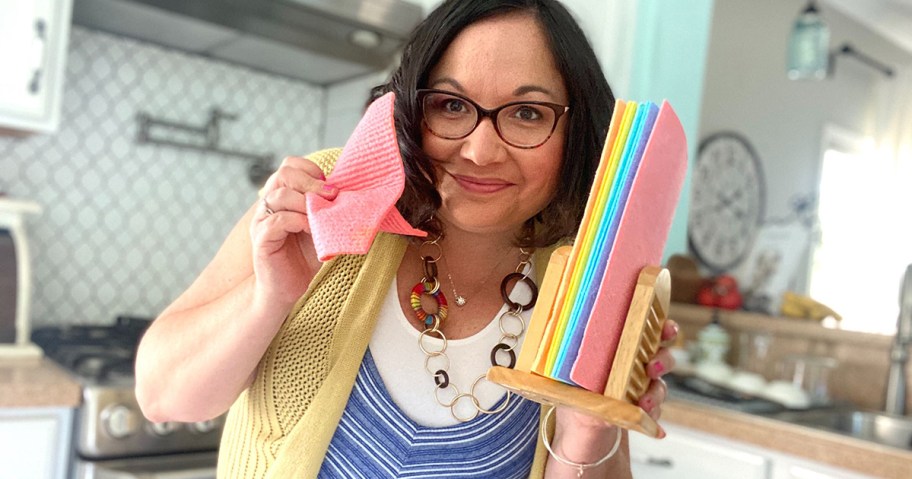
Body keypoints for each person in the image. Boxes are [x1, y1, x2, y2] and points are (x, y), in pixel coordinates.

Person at [135, 0, 678, 477]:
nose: (481, 151)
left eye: (528, 113)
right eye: (451, 105)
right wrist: (270, 297)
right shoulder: (328, 198)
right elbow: (164, 398)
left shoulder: (590, 284)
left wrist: (588, 426)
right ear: (409, 109)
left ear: (576, 132)